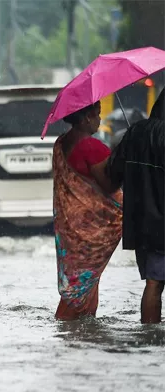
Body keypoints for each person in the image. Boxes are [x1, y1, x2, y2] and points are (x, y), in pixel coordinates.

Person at [52, 101, 123, 320]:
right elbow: (109, 185)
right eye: (97, 114)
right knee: (84, 282)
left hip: (71, 227)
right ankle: (72, 326)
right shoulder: (91, 146)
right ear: (85, 119)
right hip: (93, 228)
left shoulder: (61, 143)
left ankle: (76, 329)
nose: (100, 119)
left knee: (80, 280)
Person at [106, 88, 165, 324]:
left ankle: (148, 337)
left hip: (143, 226)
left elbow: (112, 174)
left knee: (154, 282)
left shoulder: (135, 133)